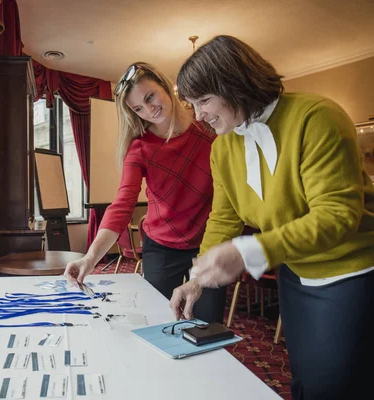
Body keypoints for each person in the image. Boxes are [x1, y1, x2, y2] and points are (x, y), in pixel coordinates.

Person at [171, 35, 374, 399]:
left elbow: (337, 215)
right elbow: (224, 218)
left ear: (235, 84)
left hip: (350, 271)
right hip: (294, 272)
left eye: (203, 101)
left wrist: (249, 251)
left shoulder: (317, 116)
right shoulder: (222, 148)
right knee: (304, 374)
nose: (198, 115)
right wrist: (197, 278)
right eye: (192, 103)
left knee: (339, 384)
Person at [64, 61, 226, 323]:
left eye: (150, 96)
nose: (149, 110)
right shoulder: (139, 148)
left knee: (208, 325)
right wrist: (91, 258)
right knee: (161, 321)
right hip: (162, 246)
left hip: (209, 242)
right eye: (138, 108)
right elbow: (122, 205)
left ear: (165, 85)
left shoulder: (209, 130)